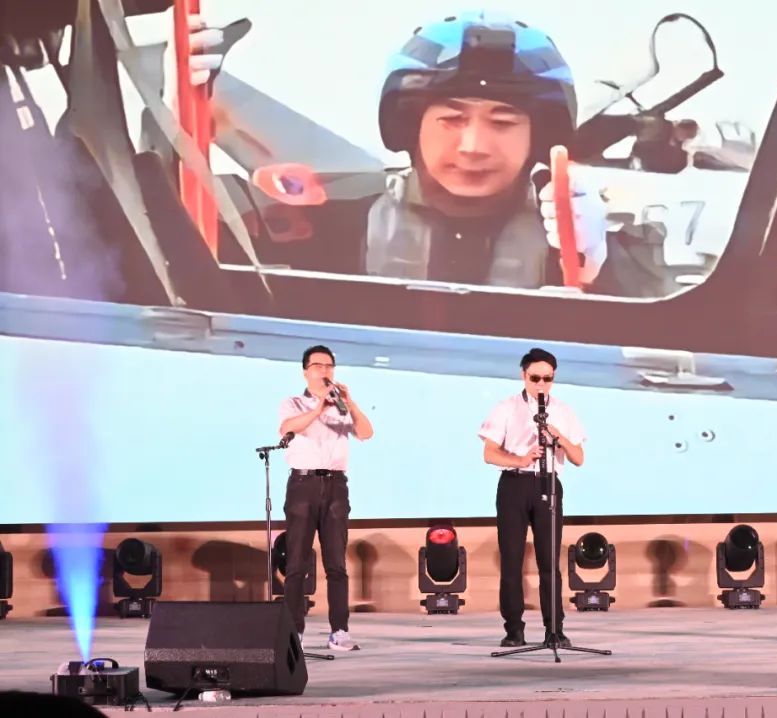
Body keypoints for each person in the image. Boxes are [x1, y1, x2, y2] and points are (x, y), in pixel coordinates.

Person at [166, 11, 680, 297]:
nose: (473, 145)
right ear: (410, 125)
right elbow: (172, 255)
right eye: (451, 119)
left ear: (538, 136)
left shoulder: (589, 241)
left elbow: (673, 350)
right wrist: (173, 130)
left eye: (503, 123)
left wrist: (603, 272)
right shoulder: (327, 221)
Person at [479, 347, 585, 647]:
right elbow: (489, 453)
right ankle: (514, 630)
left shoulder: (563, 410)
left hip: (548, 484)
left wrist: (557, 435)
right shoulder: (506, 407)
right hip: (514, 484)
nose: (541, 384)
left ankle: (555, 630)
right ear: (523, 375)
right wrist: (521, 459)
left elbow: (578, 458)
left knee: (549, 562)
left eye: (547, 379)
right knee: (511, 561)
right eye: (535, 378)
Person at [278, 344, 374, 650]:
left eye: (329, 366)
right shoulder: (293, 402)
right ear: (305, 372)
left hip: (335, 485)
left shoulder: (341, 407)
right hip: (302, 485)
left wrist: (350, 403)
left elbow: (366, 433)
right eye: (318, 366)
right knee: (296, 563)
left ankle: (340, 631)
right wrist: (319, 407)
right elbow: (288, 428)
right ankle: (294, 632)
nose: (324, 371)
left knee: (336, 563)